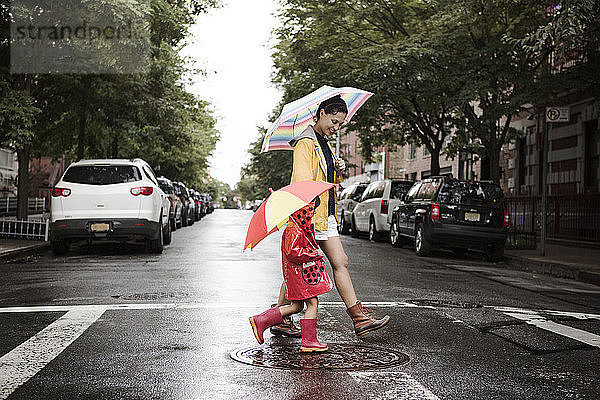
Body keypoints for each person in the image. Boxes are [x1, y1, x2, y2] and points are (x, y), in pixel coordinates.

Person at [270, 94, 390, 338]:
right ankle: (281, 317)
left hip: (326, 214)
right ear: (322, 113)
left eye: (340, 124)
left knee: (340, 262)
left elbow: (325, 182)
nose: (336, 128)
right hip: (311, 217)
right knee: (301, 266)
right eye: (334, 121)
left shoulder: (322, 142)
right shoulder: (306, 142)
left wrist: (336, 172)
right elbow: (304, 184)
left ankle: (358, 318)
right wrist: (306, 222)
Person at [250, 201, 332, 352]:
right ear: (303, 211)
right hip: (298, 274)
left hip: (298, 274)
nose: (312, 215)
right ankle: (309, 342)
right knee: (312, 303)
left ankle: (261, 320)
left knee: (297, 306)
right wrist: (313, 254)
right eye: (311, 212)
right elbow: (293, 252)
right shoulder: (294, 229)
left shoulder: (298, 227)